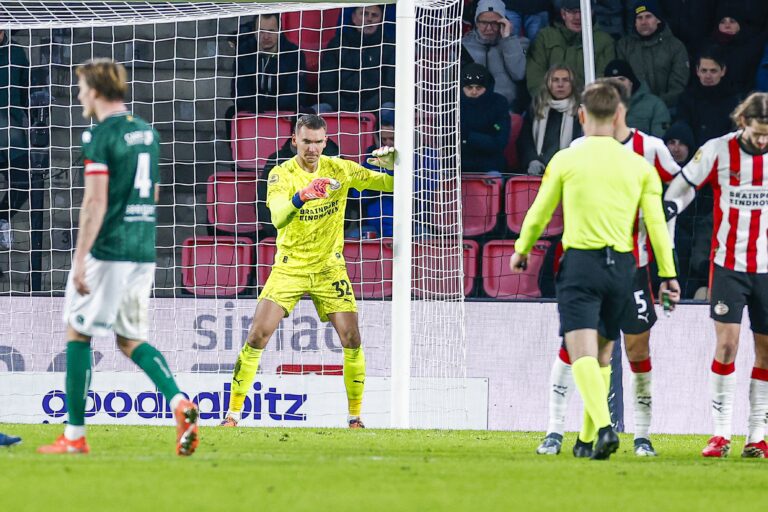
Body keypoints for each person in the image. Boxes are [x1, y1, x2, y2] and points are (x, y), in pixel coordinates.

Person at [37, 59, 199, 456]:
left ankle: (74, 436)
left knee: (79, 332)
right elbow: (155, 194)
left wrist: (79, 259)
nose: (78, 95)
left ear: (93, 90)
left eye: (80, 88)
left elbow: (94, 202)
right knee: (130, 340)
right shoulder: (147, 133)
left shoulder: (100, 136)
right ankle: (180, 403)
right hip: (143, 248)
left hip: (108, 250)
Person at [512, 81, 679, 461]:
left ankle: (603, 428)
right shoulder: (640, 165)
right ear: (620, 115)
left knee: (581, 350)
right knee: (604, 354)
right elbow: (655, 224)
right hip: (623, 266)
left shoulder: (567, 159)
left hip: (582, 264)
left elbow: (540, 211)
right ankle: (586, 441)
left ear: (581, 115)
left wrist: (522, 249)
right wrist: (668, 275)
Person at [220, 114, 395, 428]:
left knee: (352, 338)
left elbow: (391, 185)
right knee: (258, 335)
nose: (312, 148)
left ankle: (355, 418)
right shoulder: (281, 174)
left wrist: (397, 166)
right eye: (306, 142)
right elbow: (277, 217)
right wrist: (303, 195)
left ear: (325, 142)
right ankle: (232, 415)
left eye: (318, 142)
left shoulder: (340, 168)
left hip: (330, 268)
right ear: (294, 142)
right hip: (291, 267)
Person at [663, 92, 768, 458]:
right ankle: (720, 434)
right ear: (743, 123)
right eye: (758, 134)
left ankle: (757, 437)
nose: (763, 141)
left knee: (766, 353)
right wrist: (669, 207)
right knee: (727, 346)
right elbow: (685, 183)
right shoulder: (717, 150)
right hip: (728, 264)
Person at [259, 120, 340, 239]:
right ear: (294, 137)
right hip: (285, 232)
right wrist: (276, 231)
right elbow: (263, 199)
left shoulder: (333, 159)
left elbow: (342, 198)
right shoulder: (276, 161)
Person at [526, 0, 616, 97]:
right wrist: (549, 101)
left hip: (588, 104)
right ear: (563, 14)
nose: (578, 17)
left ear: (591, 13)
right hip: (551, 105)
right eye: (572, 12)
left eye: (582, 11)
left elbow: (604, 79)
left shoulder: (604, 41)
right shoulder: (545, 37)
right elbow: (535, 76)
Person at [318, 5, 395, 113]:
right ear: (353, 17)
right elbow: (326, 87)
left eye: (375, 15)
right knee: (317, 110)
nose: (369, 19)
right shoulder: (337, 44)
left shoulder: (389, 47)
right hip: (338, 107)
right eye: (364, 14)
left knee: (388, 110)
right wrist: (345, 109)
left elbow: (390, 89)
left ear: (381, 20)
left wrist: (364, 109)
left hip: (375, 108)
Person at [616, 0, 690, 109]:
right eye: (639, 18)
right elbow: (621, 82)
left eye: (648, 16)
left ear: (658, 19)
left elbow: (678, 85)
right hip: (634, 109)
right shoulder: (624, 46)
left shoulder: (675, 46)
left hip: (669, 108)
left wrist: (657, 104)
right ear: (635, 22)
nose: (644, 22)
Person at [231, 14, 306, 115]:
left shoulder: (294, 54)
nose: (266, 37)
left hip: (283, 111)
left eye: (271, 31)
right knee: (230, 113)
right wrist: (259, 106)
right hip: (252, 110)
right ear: (254, 32)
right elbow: (238, 93)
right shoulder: (244, 53)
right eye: (261, 31)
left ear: (279, 31)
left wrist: (266, 105)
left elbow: (295, 95)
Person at [462, 0, 527, 111]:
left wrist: (508, 40)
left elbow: (519, 74)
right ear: (476, 22)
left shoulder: (517, 44)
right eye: (484, 23)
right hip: (472, 109)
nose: (489, 28)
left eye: (494, 23)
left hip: (506, 109)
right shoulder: (464, 46)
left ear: (504, 22)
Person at [519, 64, 582, 176]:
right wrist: (532, 160)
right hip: (538, 170)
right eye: (555, 80)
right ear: (548, 83)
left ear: (572, 84)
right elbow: (525, 139)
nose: (560, 84)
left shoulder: (581, 110)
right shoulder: (536, 107)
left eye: (565, 80)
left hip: (571, 172)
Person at [0, 28, 30, 250]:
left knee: (25, 182)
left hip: (12, 135)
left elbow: (25, 91)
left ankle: (2, 219)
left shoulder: (17, 54)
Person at [677, 49, 741, 148]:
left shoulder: (734, 101)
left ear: (723, 71)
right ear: (697, 71)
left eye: (713, 71)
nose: (708, 76)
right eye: (704, 70)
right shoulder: (686, 99)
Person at [460, 63, 511, 174]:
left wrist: (467, 136)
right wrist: (484, 138)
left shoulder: (499, 103)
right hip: (457, 167)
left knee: (495, 178)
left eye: (479, 88)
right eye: (469, 88)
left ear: (487, 87)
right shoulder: (452, 105)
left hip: (491, 166)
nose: (474, 92)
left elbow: (499, 142)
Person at [703, 7, 764, 95]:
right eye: (722, 22)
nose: (727, 25)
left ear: (739, 25)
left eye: (732, 21)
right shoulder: (707, 48)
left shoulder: (751, 49)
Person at [603, 59, 670, 137]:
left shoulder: (655, 105)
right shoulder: (597, 107)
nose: (617, 84)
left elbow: (659, 141)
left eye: (621, 79)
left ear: (631, 82)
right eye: (611, 82)